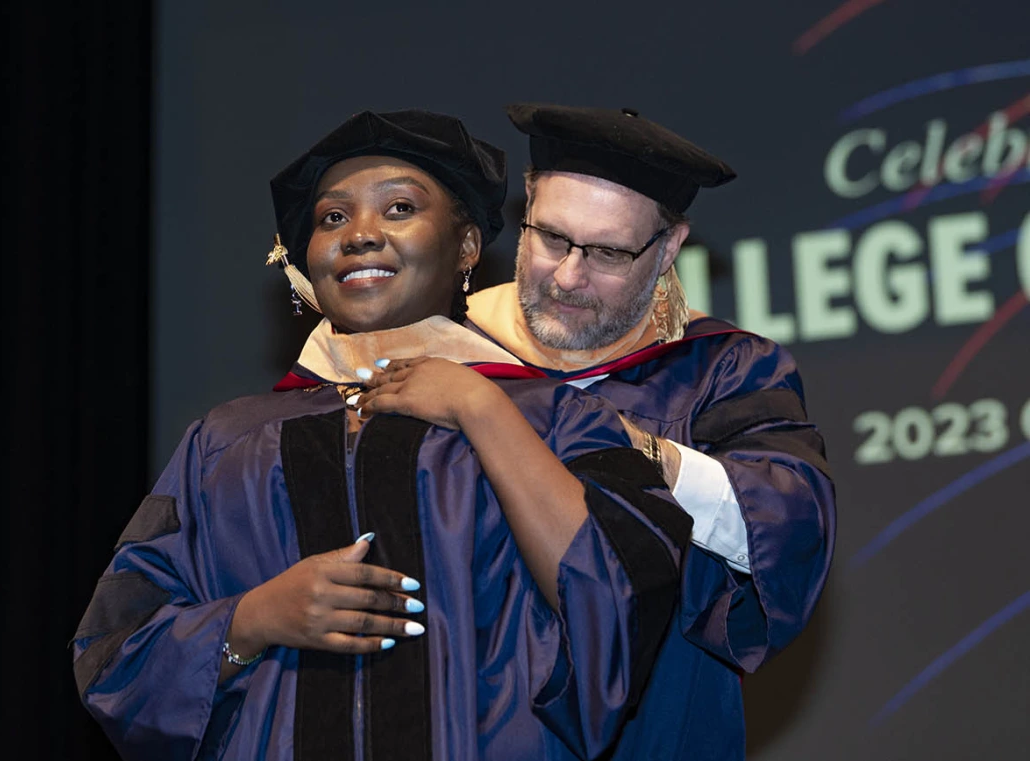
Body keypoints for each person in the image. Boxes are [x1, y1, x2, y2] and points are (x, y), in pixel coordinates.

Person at [72, 110, 695, 760]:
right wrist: (252, 620)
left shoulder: (559, 417)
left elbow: (627, 602)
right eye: (332, 218)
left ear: (466, 247)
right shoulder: (223, 443)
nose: (360, 234)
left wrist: (479, 407)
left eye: (399, 208)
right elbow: (114, 653)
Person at [358, 104, 837, 760]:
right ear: (526, 208)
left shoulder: (723, 369)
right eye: (552, 237)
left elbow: (786, 525)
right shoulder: (442, 352)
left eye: (608, 252)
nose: (568, 275)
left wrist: (610, 442)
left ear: (669, 247)